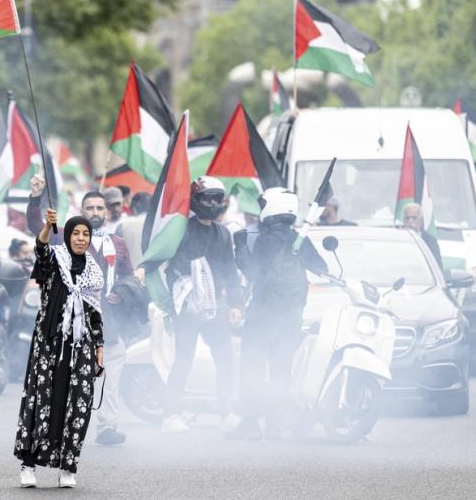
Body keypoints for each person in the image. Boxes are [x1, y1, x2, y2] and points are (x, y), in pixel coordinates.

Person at [28, 176, 132, 446]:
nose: (95, 213)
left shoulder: (117, 244)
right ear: (81, 212)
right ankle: (55, 430)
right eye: (90, 208)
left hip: (106, 323)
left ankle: (108, 425)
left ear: (106, 213)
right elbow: (36, 228)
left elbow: (127, 277)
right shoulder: (67, 234)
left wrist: (120, 294)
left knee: (111, 373)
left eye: (100, 209)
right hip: (69, 321)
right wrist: (35, 198)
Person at [14, 209, 104, 489]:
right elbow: (41, 248)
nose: (80, 238)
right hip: (50, 343)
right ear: (66, 236)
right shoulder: (55, 260)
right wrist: (46, 226)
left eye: (85, 234)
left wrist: (100, 348)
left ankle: (68, 466)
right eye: (75, 233)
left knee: (77, 404)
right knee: (41, 401)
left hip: (81, 347)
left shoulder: (94, 272)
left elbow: (95, 314)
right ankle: (28, 465)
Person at [228, 188, 328, 441]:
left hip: (263, 316)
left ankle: (251, 424)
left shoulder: (266, 240)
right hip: (291, 317)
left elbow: (253, 271)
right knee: (281, 371)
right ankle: (275, 425)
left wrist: (239, 245)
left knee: (252, 369)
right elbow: (322, 268)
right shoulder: (300, 238)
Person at [161, 177, 243, 433]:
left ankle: (226, 413)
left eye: (217, 197)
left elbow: (230, 270)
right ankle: (170, 415)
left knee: (226, 360)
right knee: (183, 359)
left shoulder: (223, 233)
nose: (212, 203)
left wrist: (235, 304)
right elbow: (169, 265)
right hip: (187, 307)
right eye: (206, 197)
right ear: (195, 200)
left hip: (216, 305)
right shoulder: (180, 229)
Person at [115, 192, 152, 269]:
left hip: (130, 276)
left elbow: (116, 255)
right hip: (158, 277)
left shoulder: (123, 226)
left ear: (134, 209)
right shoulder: (162, 226)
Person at [401, 202, 443, 269]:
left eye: (414, 218)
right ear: (403, 220)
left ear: (420, 221)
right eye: (407, 218)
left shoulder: (430, 241)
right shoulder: (397, 239)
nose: (410, 221)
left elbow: (437, 268)